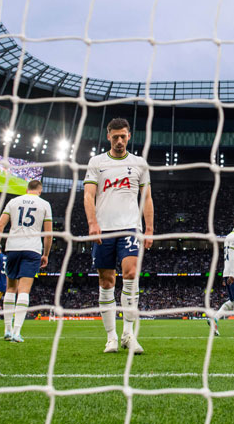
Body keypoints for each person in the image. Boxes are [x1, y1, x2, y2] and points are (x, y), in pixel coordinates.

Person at [84, 118, 153, 354]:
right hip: (103, 229)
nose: (120, 141)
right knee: (106, 282)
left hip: (130, 227)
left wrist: (150, 229)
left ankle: (128, 335)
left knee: (131, 274)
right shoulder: (97, 162)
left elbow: (147, 198)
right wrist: (92, 223)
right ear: (108, 137)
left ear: (129, 136)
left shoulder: (139, 163)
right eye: (115, 137)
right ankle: (111, 337)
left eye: (123, 136)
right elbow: (88, 195)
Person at [0, 179, 52, 342]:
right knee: (24, 290)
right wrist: (46, 254)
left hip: (12, 247)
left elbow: (0, 226)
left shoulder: (13, 201)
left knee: (10, 288)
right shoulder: (44, 204)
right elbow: (48, 234)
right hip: (32, 249)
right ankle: (16, 331)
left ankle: (7, 329)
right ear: (39, 190)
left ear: (27, 189)